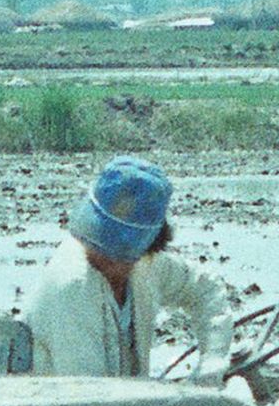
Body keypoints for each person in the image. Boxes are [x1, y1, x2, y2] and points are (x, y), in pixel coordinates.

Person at [20, 156, 233, 378]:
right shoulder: (71, 287)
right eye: (101, 240)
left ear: (147, 246)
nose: (103, 255)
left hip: (121, 403)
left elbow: (206, 290)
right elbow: (88, 397)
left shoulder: (148, 266)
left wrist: (213, 360)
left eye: (120, 252)